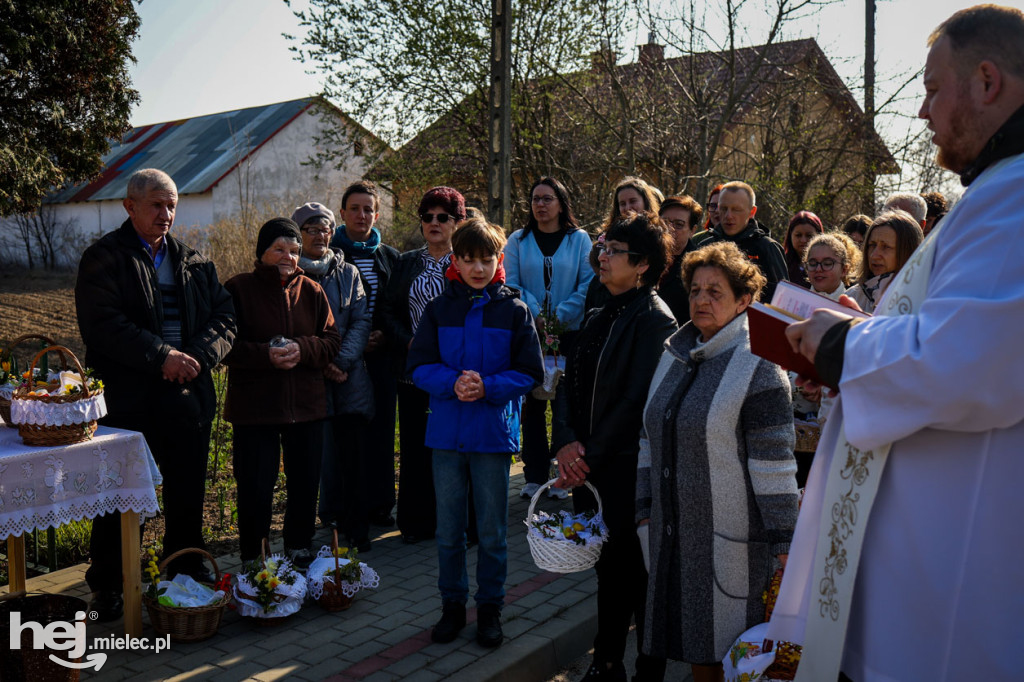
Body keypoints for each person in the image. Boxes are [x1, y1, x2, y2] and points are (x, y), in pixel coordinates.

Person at [770, 7, 1024, 681]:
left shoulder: (1015, 196)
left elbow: (968, 365)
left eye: (935, 88)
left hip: (955, 581)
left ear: (989, 81)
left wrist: (841, 346)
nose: (922, 110)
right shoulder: (1000, 191)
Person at [74, 168, 236, 621]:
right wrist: (160, 355)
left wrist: (197, 356)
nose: (166, 214)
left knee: (187, 494)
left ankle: (183, 575)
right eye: (156, 204)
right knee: (121, 500)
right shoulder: (104, 258)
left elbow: (225, 318)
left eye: (172, 206)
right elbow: (102, 324)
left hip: (186, 400)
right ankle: (109, 585)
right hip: (129, 404)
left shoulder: (194, 261)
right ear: (129, 206)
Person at [636, 241, 798, 682]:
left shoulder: (759, 365)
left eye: (715, 292)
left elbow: (774, 465)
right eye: (695, 290)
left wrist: (786, 543)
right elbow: (648, 438)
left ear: (744, 301)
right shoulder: (674, 354)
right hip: (672, 535)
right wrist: (645, 512)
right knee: (697, 652)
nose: (701, 300)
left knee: (733, 655)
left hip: (731, 544)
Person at [407, 217, 544, 649]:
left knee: (492, 533)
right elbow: (418, 366)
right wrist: (453, 382)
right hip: (446, 436)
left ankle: (490, 610)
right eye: (469, 259)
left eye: (487, 259)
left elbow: (529, 372)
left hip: (492, 436)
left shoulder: (515, 309)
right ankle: (452, 607)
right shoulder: (438, 308)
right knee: (448, 531)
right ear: (456, 260)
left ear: (498, 259)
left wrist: (489, 386)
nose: (478, 268)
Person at [552, 211, 676, 682]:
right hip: (591, 465)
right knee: (608, 569)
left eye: (613, 251)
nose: (602, 257)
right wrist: (565, 441)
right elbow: (569, 381)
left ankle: (647, 667)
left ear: (642, 264)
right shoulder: (601, 308)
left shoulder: (654, 319)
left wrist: (586, 456)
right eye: (601, 248)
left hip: (626, 467)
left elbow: (634, 402)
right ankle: (606, 663)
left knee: (637, 572)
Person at [223, 218, 342, 569]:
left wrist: (302, 350)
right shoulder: (238, 289)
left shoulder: (312, 290)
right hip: (255, 408)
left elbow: (331, 340)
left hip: (305, 406)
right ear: (262, 253)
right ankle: (253, 555)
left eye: (293, 250)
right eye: (279, 249)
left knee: (304, 481)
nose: (288, 257)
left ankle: (299, 545)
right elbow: (225, 346)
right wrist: (265, 355)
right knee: (255, 485)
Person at [381, 187, 466, 544]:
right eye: (427, 217)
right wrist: (408, 340)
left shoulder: (466, 262)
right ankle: (416, 524)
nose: (433, 223)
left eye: (442, 217)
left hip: (455, 372)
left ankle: (454, 522)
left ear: (458, 222)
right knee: (416, 447)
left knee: (452, 448)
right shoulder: (406, 262)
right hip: (414, 371)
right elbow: (386, 310)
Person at [503, 177, 593, 500]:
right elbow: (510, 284)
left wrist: (559, 317)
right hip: (529, 335)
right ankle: (534, 474)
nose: (540, 205)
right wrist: (537, 315)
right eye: (535, 199)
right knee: (533, 407)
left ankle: (562, 473)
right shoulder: (517, 240)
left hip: (570, 335)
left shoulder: (580, 240)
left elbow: (587, 286)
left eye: (547, 198)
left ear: (561, 202)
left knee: (564, 406)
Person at [291, 202, 374, 551]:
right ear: (298, 234)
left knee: (355, 459)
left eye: (325, 228)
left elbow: (360, 319)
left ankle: (358, 530)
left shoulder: (347, 272)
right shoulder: (291, 274)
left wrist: (340, 361)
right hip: (309, 381)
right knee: (309, 463)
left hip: (349, 378)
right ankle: (307, 535)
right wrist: (324, 361)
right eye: (312, 229)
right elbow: (292, 327)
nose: (321, 235)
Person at [330, 181, 400, 528]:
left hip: (381, 357)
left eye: (368, 209)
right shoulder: (328, 253)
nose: (362, 215)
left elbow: (399, 307)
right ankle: (339, 510)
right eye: (355, 208)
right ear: (342, 213)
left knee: (382, 432)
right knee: (343, 436)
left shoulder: (390, 257)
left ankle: (380, 505)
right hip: (340, 358)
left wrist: (384, 335)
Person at [698, 181, 789, 301]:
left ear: (752, 212)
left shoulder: (767, 248)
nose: (728, 215)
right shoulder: (705, 247)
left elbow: (783, 301)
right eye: (724, 209)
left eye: (736, 210)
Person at [585, 177, 662, 314]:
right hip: (604, 300)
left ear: (645, 201)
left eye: (633, 201)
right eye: (622, 203)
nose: (627, 208)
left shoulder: (657, 237)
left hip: (639, 305)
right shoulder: (605, 237)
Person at [844, 211, 923, 314]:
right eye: (872, 245)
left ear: (907, 251)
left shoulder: (923, 298)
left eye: (886, 247)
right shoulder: (853, 296)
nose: (874, 255)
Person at [657, 195, 703, 324]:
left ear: (692, 230)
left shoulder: (699, 264)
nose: (670, 229)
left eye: (679, 225)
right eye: (665, 222)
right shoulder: (645, 256)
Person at [782, 211, 824, 288]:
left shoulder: (828, 265)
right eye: (798, 235)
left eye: (809, 235)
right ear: (790, 236)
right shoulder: (782, 263)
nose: (803, 240)